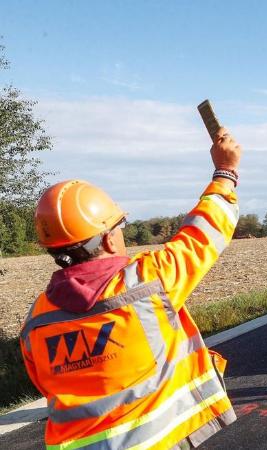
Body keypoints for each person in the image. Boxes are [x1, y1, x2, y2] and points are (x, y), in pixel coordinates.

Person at [20, 127, 242, 449]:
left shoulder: (36, 320)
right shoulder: (148, 282)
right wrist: (226, 171)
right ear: (109, 237)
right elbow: (205, 232)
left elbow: (45, 384)